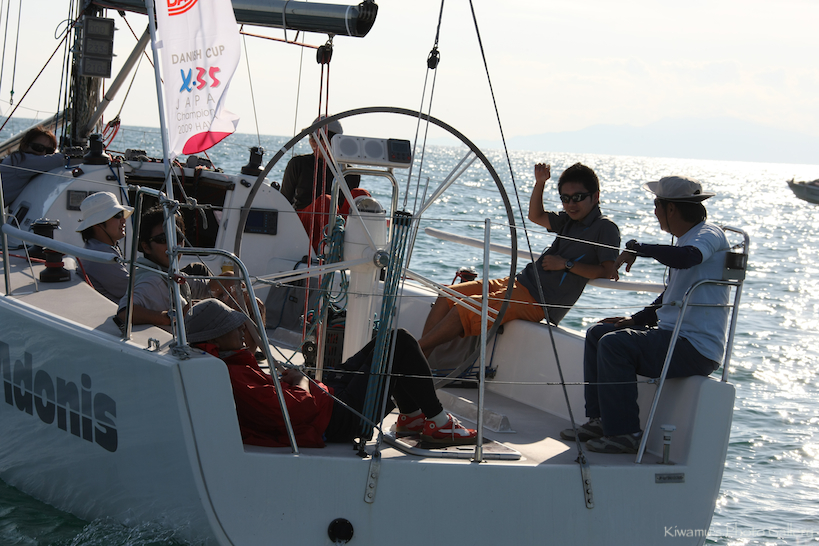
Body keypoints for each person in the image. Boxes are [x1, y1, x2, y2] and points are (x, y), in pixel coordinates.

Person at [562, 175, 730, 454]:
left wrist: (638, 248)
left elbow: (688, 257)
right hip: (672, 338)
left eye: (656, 206)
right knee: (598, 334)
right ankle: (600, 420)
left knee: (615, 344)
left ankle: (626, 434)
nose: (655, 213)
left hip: (695, 348)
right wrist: (636, 320)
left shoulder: (707, 234)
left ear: (670, 208)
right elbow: (671, 296)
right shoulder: (688, 238)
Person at [185, 298, 478, 447]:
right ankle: (439, 423)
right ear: (216, 338)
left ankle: (412, 418)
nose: (240, 329)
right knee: (399, 343)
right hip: (338, 420)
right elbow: (297, 410)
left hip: (328, 403)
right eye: (232, 327)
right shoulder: (235, 376)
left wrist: (300, 382)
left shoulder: (226, 365)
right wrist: (302, 381)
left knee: (386, 342)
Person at [418, 162, 620, 357]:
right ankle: (421, 360)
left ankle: (413, 352)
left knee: (464, 308)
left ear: (596, 196)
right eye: (565, 198)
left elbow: (607, 271)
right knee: (448, 295)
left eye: (577, 197)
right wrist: (540, 183)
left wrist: (566, 264)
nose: (570, 204)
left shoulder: (605, 228)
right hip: (519, 282)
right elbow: (536, 216)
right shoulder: (569, 220)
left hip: (538, 300)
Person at [280, 115, 368, 251]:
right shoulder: (298, 164)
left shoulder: (350, 172)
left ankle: (358, 249)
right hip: (302, 223)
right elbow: (283, 201)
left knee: (360, 195)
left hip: (336, 223)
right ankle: (326, 252)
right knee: (326, 202)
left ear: (333, 141)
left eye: (316, 137)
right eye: (310, 136)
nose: (311, 141)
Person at [116, 205, 213, 326]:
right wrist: (174, 316)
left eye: (178, 237)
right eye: (163, 239)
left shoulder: (168, 274)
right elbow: (124, 312)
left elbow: (203, 287)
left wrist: (226, 281)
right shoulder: (152, 281)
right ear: (146, 247)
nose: (174, 246)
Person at [75, 192, 133, 302]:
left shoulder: (94, 248)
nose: (124, 220)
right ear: (97, 223)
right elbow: (132, 291)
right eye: (118, 215)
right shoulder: (101, 254)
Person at [1, 126, 66, 207]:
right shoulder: (20, 160)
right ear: (25, 146)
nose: (43, 153)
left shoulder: (16, 160)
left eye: (49, 151)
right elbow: (60, 159)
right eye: (38, 148)